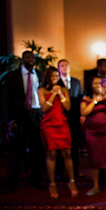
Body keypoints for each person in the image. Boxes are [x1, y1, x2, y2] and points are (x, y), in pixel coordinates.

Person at [4, 51, 46, 193]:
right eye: (28, 57)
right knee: (18, 150)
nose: (30, 60)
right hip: (20, 115)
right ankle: (12, 182)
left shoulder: (40, 75)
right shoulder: (13, 76)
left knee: (37, 150)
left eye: (32, 58)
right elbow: (8, 99)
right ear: (23, 59)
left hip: (36, 114)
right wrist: (11, 120)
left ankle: (36, 180)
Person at [38, 67, 76, 199]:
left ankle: (72, 181)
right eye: (52, 76)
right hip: (49, 125)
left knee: (67, 153)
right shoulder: (42, 90)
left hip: (62, 124)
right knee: (52, 153)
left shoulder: (64, 89)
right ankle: (52, 183)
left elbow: (68, 107)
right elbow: (44, 108)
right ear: (47, 77)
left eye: (57, 76)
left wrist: (60, 94)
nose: (55, 78)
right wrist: (53, 94)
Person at [80, 76, 106, 196]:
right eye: (95, 83)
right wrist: (95, 101)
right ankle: (95, 185)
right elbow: (84, 112)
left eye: (100, 83)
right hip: (92, 132)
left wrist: (105, 96)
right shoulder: (86, 99)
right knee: (94, 159)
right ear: (91, 85)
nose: (98, 85)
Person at [57, 59, 83, 180]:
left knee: (75, 144)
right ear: (59, 69)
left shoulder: (76, 82)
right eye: (62, 66)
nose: (64, 67)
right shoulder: (56, 83)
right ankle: (60, 172)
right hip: (61, 117)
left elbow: (80, 99)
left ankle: (75, 170)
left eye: (66, 65)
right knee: (61, 146)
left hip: (74, 118)